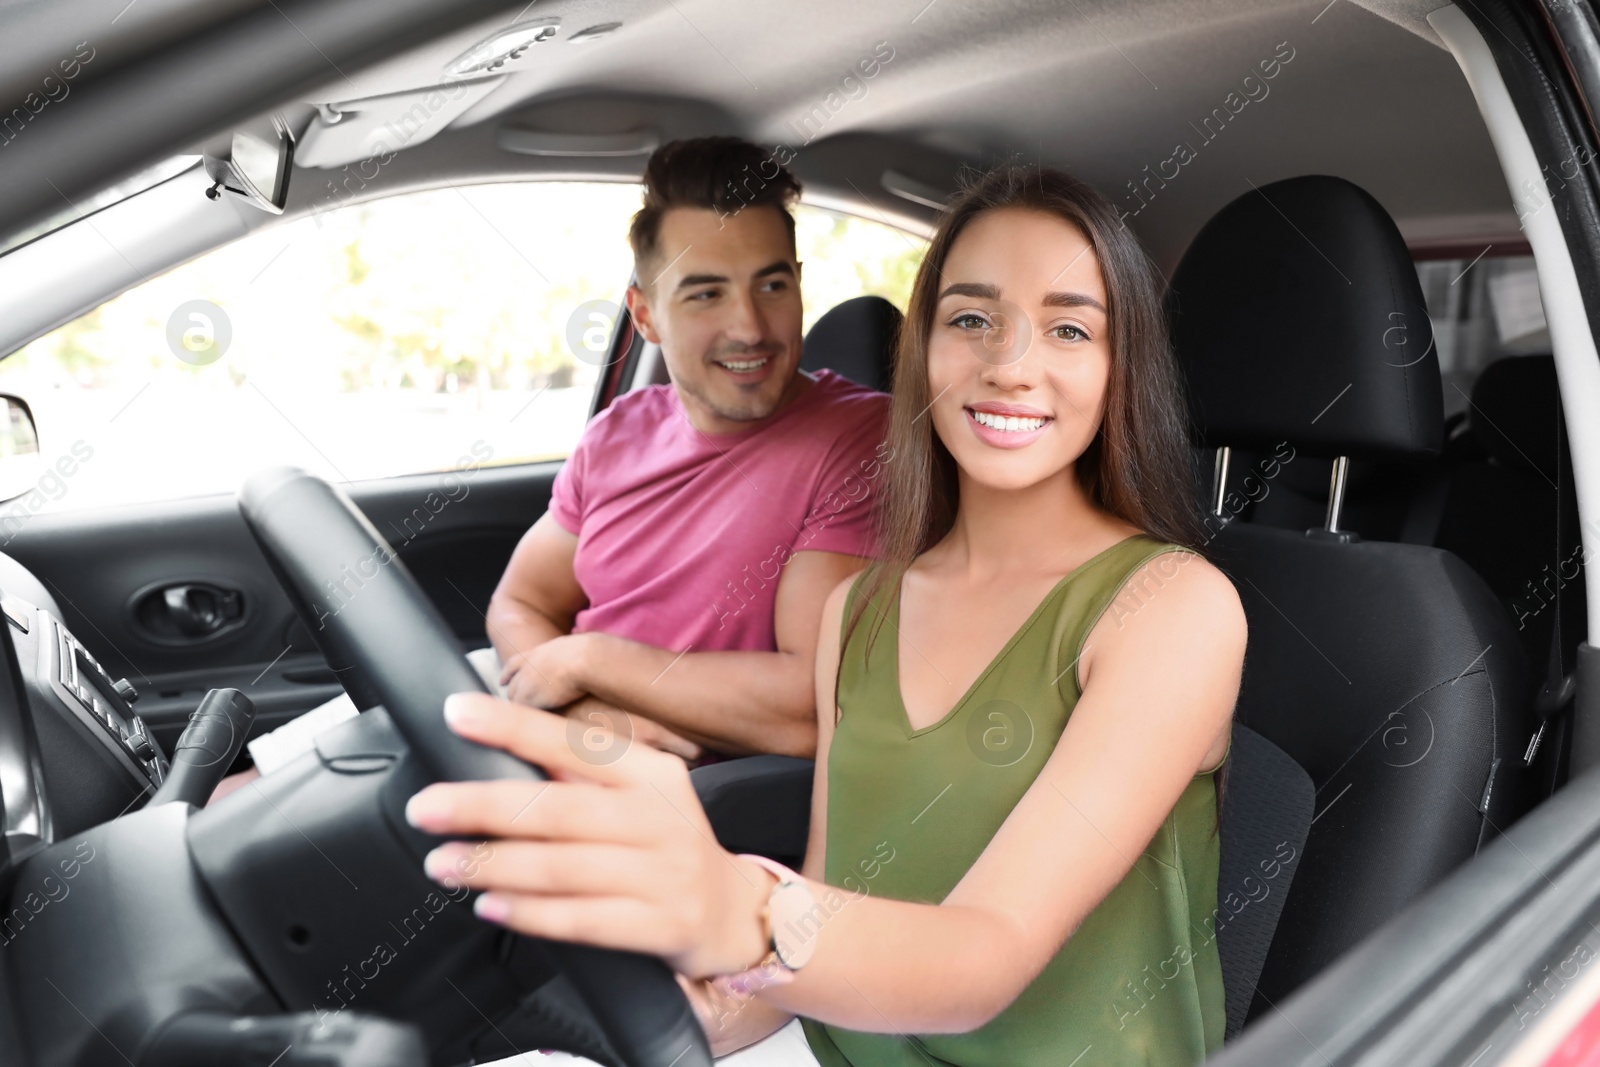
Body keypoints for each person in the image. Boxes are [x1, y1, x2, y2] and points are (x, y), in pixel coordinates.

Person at [402, 161, 1244, 1066]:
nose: (1008, 365)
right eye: (970, 319)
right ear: (922, 347)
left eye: (1070, 328)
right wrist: (703, 995)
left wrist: (742, 912)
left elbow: (984, 956)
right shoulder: (859, 611)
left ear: (1122, 367)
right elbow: (829, 904)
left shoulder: (1172, 609)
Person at [227, 136, 889, 791]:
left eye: (771, 284)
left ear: (800, 283)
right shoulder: (620, 433)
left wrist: (592, 659)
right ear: (646, 315)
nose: (749, 325)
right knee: (239, 795)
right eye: (705, 293)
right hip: (558, 722)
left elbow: (813, 703)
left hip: (674, 791)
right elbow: (519, 602)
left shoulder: (860, 440)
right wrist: (583, 710)